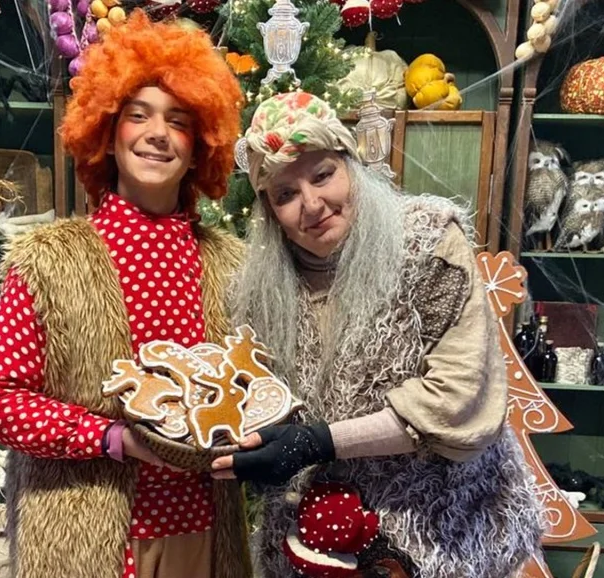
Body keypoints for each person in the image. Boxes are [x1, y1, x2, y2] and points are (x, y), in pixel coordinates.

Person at [210, 91, 545, 578]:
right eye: (285, 194)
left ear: (351, 165)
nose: (312, 204)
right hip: (313, 546)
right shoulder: (255, 292)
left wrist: (319, 442)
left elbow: (455, 398)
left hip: (442, 532)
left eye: (323, 175)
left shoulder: (428, 246)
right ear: (269, 211)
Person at [0, 11, 250, 578]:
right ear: (108, 135)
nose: (157, 133)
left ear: (200, 147)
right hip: (83, 539)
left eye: (178, 121)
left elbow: (249, 386)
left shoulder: (232, 263)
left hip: (205, 530)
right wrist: (110, 437)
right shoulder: (49, 259)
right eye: (137, 115)